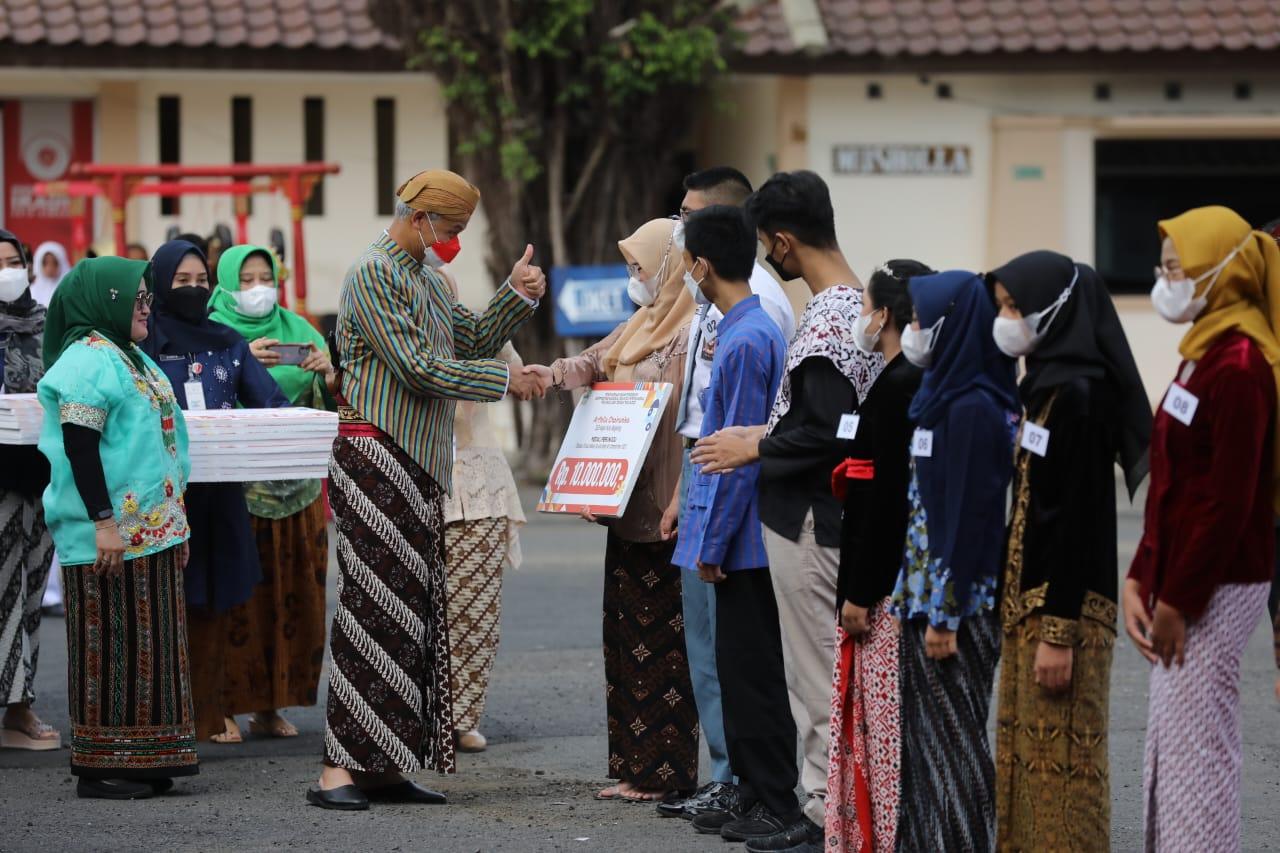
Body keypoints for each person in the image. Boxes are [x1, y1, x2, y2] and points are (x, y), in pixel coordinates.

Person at [311, 169, 544, 811]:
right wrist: (505, 382)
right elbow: (417, 368)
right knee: (369, 608)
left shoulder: (426, 279)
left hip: (418, 461)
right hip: (374, 455)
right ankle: (337, 769)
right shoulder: (374, 273)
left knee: (410, 613)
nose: (453, 241)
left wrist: (514, 295)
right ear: (419, 219)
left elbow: (471, 340)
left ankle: (385, 766)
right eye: (450, 228)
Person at [692, 170, 883, 849]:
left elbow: (827, 431)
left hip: (808, 516)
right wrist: (767, 434)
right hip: (829, 513)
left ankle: (828, 810)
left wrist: (756, 444)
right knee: (825, 672)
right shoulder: (856, 305)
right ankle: (834, 805)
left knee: (815, 676)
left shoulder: (828, 319)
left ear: (780, 241)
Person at [525, 216, 699, 804]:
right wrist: (550, 375)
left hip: (666, 508)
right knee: (623, 641)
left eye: (639, 266)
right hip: (622, 506)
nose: (633, 277)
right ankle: (631, 765)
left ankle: (665, 772)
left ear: (668, 267)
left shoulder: (691, 332)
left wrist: (680, 495)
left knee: (666, 648)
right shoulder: (639, 324)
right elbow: (594, 362)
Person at [1124, 206, 1279, 851]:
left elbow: (1225, 502)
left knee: (1198, 751)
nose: (1166, 281)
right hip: (1185, 579)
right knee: (1175, 743)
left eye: (1176, 268)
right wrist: (1141, 575)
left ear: (1222, 270)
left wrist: (1179, 599)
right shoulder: (1202, 353)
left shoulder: (1240, 365)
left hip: (1217, 582)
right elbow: (1172, 481)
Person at [987, 251, 1151, 850]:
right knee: (1027, 770)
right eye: (1003, 307)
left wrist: (1058, 632)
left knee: (1064, 779)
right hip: (1029, 608)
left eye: (1015, 307)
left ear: (1053, 310)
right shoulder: (1044, 388)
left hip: (1066, 613)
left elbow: (1078, 519)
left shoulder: (1081, 395)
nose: (1006, 320)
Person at [657, 167, 795, 824]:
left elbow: (734, 458)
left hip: (741, 541)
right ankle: (751, 793)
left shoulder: (745, 337)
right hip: (732, 531)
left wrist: (710, 544)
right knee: (736, 672)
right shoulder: (739, 326)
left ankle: (770, 798)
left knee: (750, 675)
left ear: (703, 265)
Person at [36, 256, 197, 799]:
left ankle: (147, 759)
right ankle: (101, 768)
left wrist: (177, 524)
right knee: (109, 647)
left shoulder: (129, 355)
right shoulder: (87, 360)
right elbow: (80, 449)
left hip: (152, 531)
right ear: (105, 301)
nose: (146, 307)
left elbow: (160, 443)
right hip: (109, 535)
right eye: (136, 298)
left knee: (152, 647)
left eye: (148, 297)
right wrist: (103, 523)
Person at [885, 269, 1018, 850]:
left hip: (956, 605)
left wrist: (946, 613)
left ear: (952, 326)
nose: (912, 330)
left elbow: (968, 518)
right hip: (926, 598)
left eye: (921, 320)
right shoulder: (941, 397)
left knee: (956, 745)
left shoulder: (973, 408)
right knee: (924, 745)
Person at [141, 240, 290, 745]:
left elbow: (271, 402)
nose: (194, 289)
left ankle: (211, 710)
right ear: (160, 284)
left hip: (221, 495)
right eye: (181, 281)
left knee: (216, 604)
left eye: (201, 281)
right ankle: (166, 715)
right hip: (162, 499)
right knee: (165, 604)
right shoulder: (143, 342)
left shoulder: (228, 341)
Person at [824, 259, 932, 853]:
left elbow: (881, 502)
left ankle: (882, 837)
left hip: (883, 591)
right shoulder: (910, 379)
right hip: (899, 582)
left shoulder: (896, 389)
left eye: (866, 307)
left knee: (882, 726)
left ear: (885, 314)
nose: (860, 317)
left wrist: (859, 593)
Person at [207, 244, 335, 743]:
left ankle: (269, 704)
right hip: (237, 490)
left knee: (291, 598)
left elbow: (330, 403)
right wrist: (239, 363)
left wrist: (327, 374)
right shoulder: (213, 333)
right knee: (240, 598)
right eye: (246, 280)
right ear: (226, 285)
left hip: (298, 488)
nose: (258, 288)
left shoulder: (299, 329)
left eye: (266, 277)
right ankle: (220, 706)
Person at [431, 259, 526, 756]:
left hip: (479, 487)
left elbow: (520, 378)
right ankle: (419, 714)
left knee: (474, 611)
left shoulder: (480, 334)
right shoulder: (399, 340)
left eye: (445, 293)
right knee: (418, 612)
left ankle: (462, 715)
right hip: (413, 483)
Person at [0, 229, 59, 751]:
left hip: (40, 477)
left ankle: (20, 706)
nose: (7, 272)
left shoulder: (49, 325)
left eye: (12, 261)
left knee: (33, 592)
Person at [30, 242, 70, 307]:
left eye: (54, 263)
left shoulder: (69, 290)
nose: (50, 268)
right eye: (45, 263)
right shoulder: (32, 291)